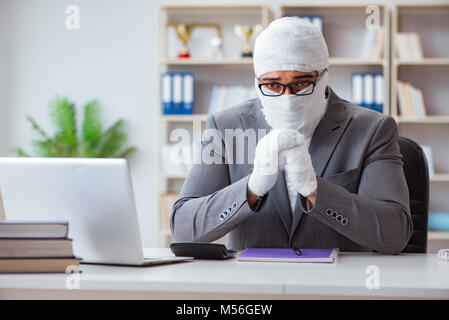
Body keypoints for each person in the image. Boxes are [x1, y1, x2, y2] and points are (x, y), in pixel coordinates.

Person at [170, 17, 412, 254]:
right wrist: (251, 189)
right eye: (273, 84)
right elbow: (183, 229)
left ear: (323, 76)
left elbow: (395, 235)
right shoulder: (225, 127)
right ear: (257, 82)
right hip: (253, 287)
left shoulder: (372, 129)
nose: (287, 98)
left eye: (301, 83)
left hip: (338, 286)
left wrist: (315, 190)